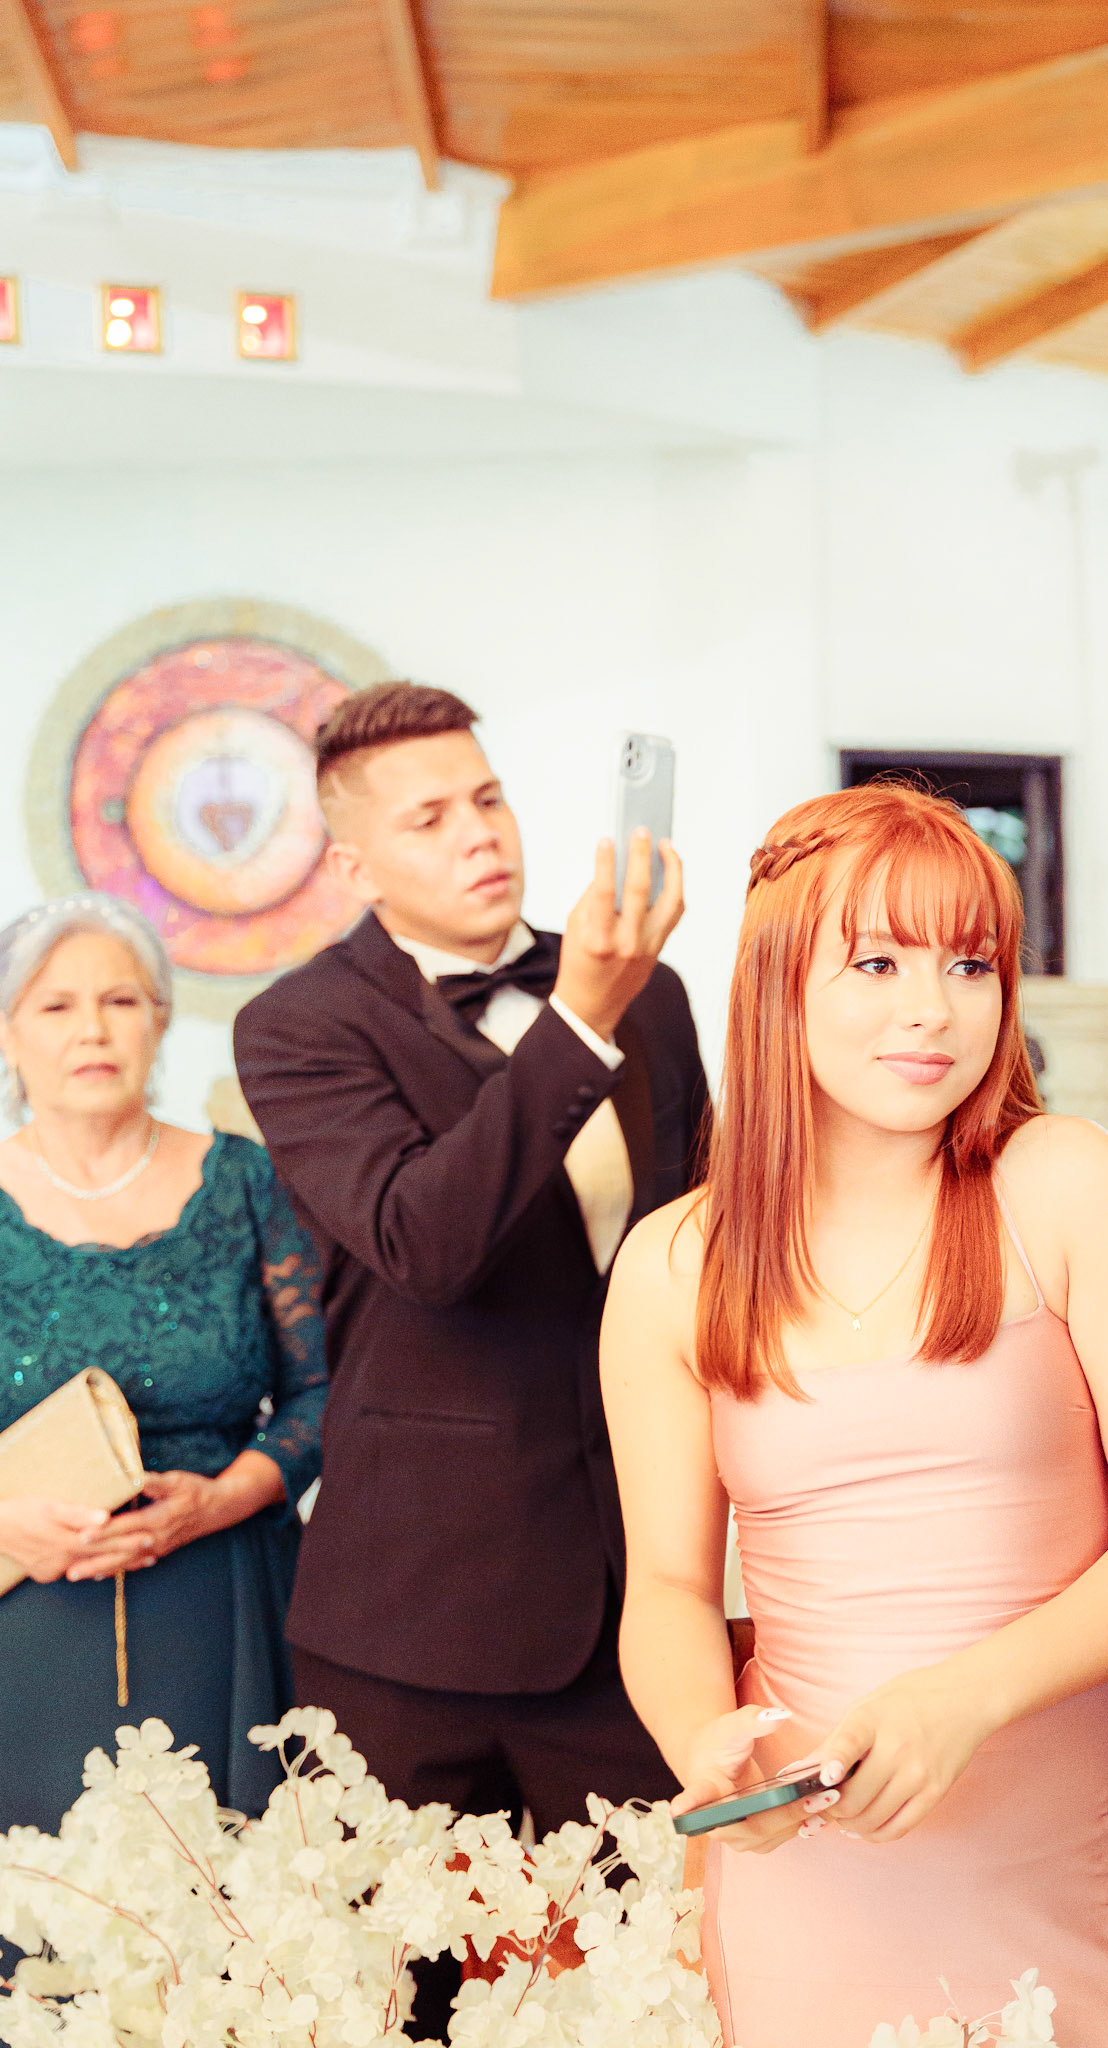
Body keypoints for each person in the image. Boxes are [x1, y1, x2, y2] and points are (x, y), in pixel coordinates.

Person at [600, 782, 1108, 2048]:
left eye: (970, 963)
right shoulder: (675, 1263)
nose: (932, 1008)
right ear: (778, 983)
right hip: (811, 1863)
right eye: (878, 961)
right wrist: (704, 1740)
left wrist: (964, 1700)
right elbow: (668, 1585)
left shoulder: (1065, 1181)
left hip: (1062, 1845)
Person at [232, 683, 708, 2023]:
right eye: (429, 817)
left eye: (487, 798)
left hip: (636, 1598)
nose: (478, 833)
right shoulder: (297, 1027)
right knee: (393, 2006)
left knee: (656, 1986)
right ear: (354, 864)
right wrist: (579, 1022)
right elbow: (426, 1243)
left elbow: (690, 1244)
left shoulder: (658, 997)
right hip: (412, 1617)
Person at [0, 893, 326, 1837]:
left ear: (160, 1020)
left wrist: (220, 1501)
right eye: (56, 1005)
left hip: (220, 1600)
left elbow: (321, 1392)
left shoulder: (245, 1180)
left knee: (224, 1889)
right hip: (22, 1610)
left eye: (121, 1000)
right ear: (10, 1032)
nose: (92, 1030)